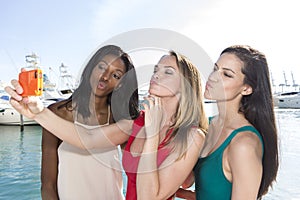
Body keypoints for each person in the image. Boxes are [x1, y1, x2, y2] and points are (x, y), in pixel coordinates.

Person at [6, 50, 208, 200]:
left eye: (168, 72)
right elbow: (88, 138)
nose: (156, 74)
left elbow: (150, 197)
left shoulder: (192, 136)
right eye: (156, 69)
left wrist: (153, 136)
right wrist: (38, 112)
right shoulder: (135, 124)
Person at [179, 45, 279, 200]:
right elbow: (194, 186)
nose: (213, 77)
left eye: (226, 74)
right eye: (215, 69)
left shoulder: (244, 144)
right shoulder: (207, 126)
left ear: (246, 89)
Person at [40, 45, 140, 199]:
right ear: (91, 68)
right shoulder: (56, 114)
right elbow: (48, 185)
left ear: (120, 84)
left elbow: (138, 171)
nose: (105, 77)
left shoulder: (119, 119)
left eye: (116, 75)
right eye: (102, 67)